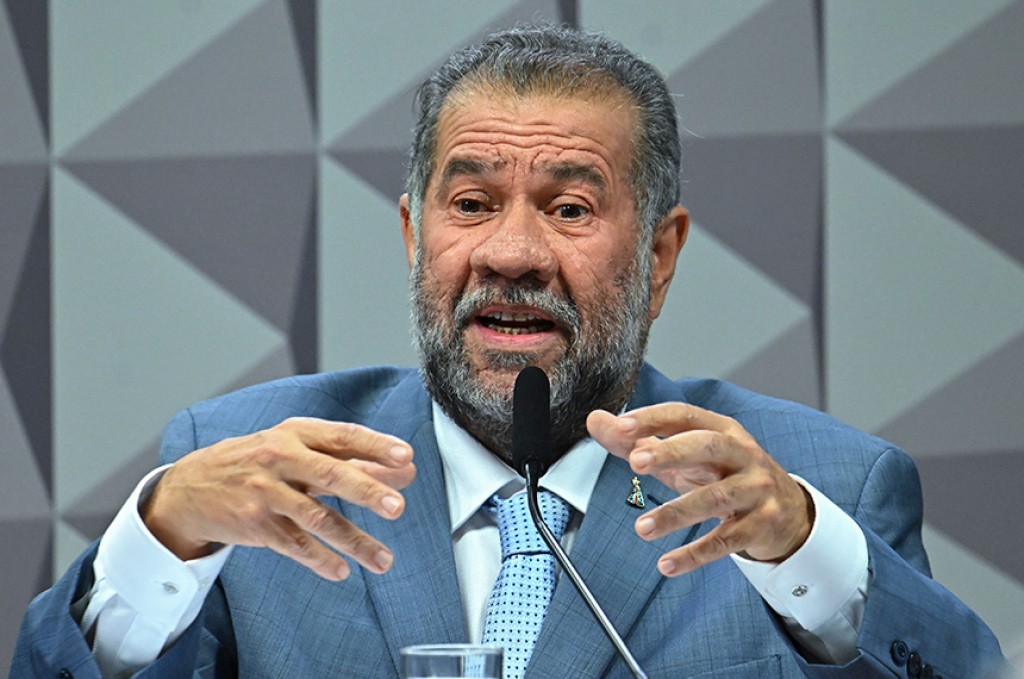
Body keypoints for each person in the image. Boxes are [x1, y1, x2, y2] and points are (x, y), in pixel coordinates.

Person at [12, 24, 1011, 679]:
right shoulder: (250, 473)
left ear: (660, 254)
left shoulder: (817, 489)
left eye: (570, 207)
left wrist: (808, 556)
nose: (512, 252)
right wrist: (162, 537)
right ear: (414, 235)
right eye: (471, 202)